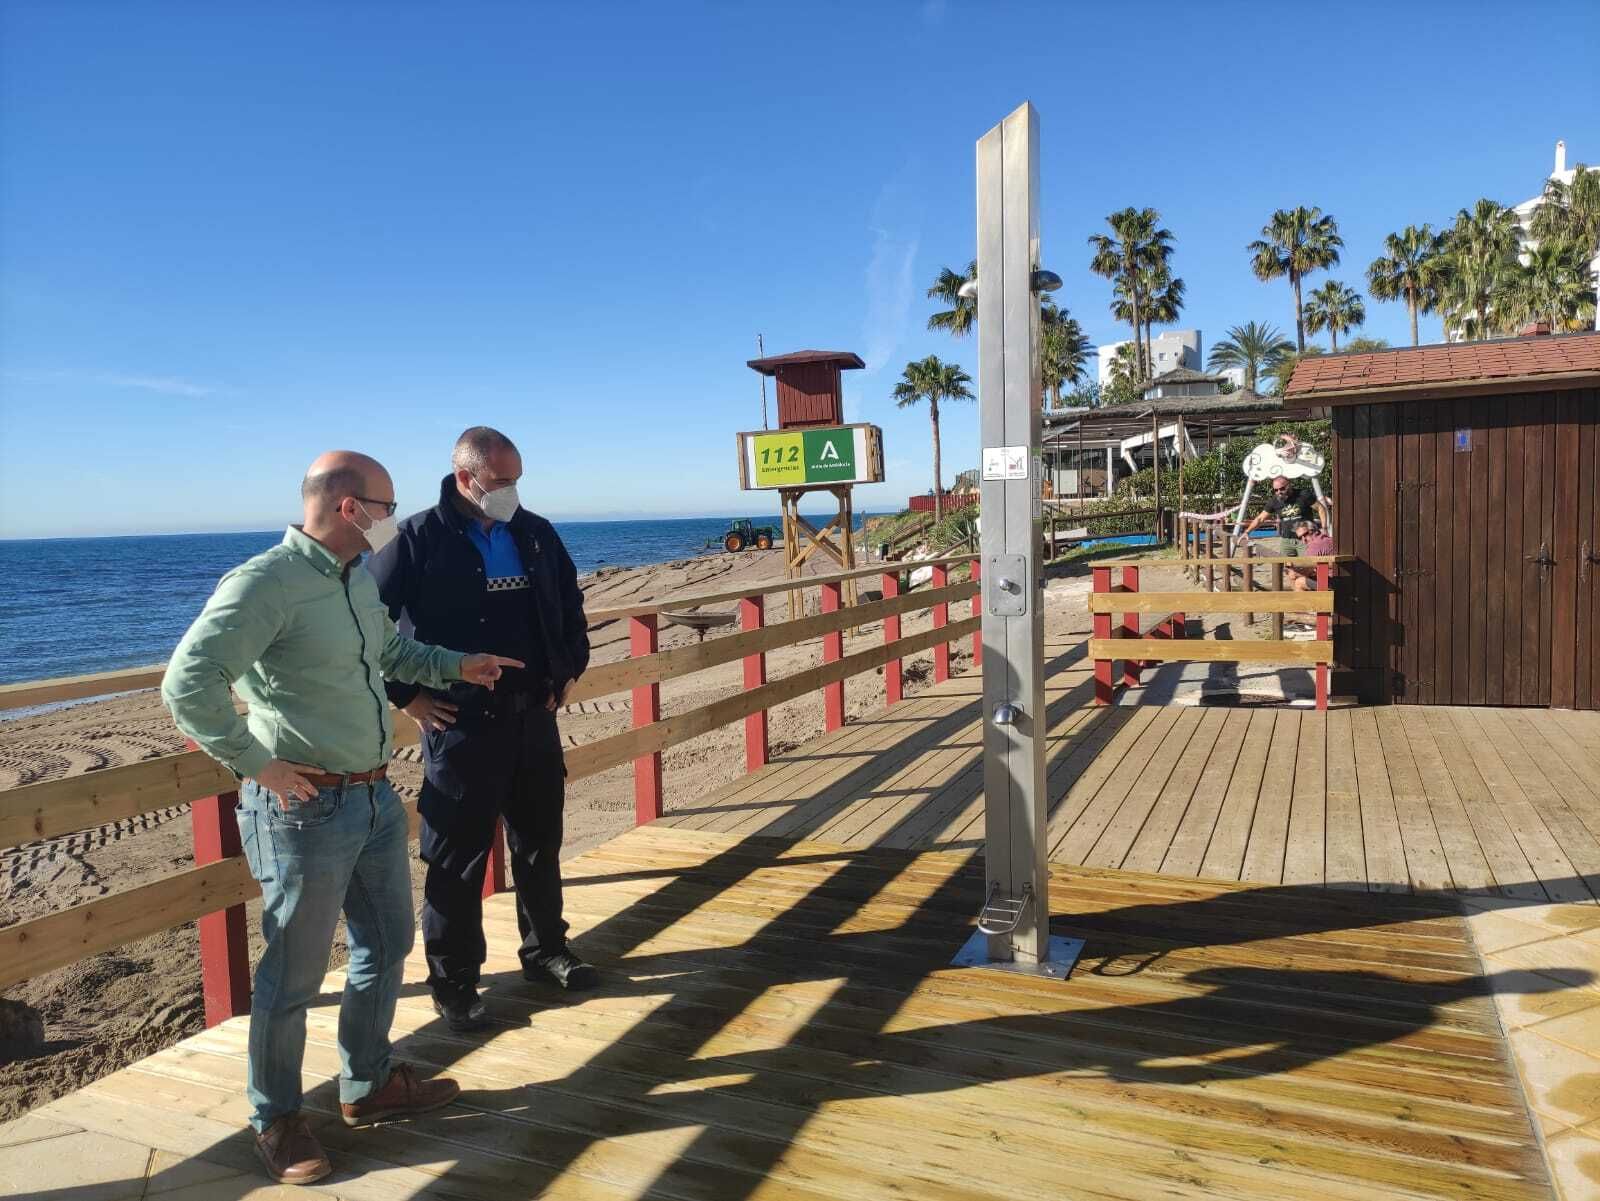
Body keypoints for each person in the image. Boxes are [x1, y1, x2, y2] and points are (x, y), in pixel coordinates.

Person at [162, 451, 522, 1186]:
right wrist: (256, 763)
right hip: (302, 809)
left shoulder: (354, 577)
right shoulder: (265, 582)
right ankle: (276, 1117)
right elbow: (187, 683)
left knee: (387, 944)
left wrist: (458, 664)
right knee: (293, 976)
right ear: (350, 507)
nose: (395, 519)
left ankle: (367, 1082)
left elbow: (390, 651)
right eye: (387, 506)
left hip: (372, 798)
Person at [369, 427, 593, 1034]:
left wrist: (567, 671)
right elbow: (366, 626)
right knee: (455, 860)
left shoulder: (536, 533)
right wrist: (407, 696)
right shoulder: (411, 537)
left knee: (540, 844)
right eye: (501, 481)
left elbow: (571, 608)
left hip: (534, 718)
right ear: (466, 478)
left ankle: (547, 951)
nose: (512, 491)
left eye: (518, 479)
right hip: (460, 725)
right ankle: (455, 982)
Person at [1240, 474, 1328, 555]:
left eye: (1282, 488)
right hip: (1286, 541)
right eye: (1276, 490)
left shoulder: (1303, 495)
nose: (1279, 492)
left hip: (1306, 538)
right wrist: (1247, 532)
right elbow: (1260, 518)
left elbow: (1320, 508)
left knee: (1308, 564)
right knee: (1286, 566)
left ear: (1289, 485)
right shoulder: (1274, 501)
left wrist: (1324, 528)